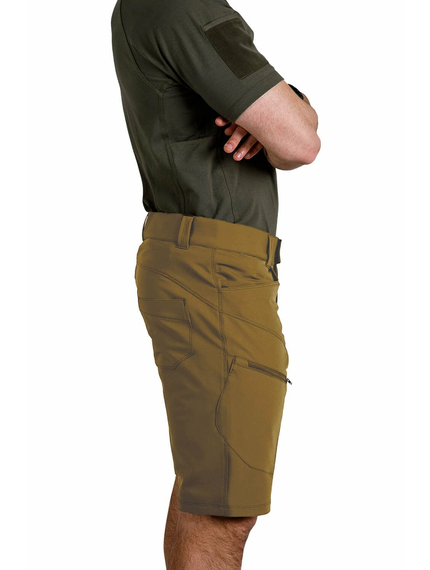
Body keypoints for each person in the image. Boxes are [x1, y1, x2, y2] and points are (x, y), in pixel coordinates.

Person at [111, 0, 320, 567]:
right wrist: (281, 115)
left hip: (206, 263)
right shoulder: (183, 6)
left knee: (207, 482)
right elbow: (300, 142)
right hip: (215, 271)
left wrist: (281, 113)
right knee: (224, 505)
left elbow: (291, 137)